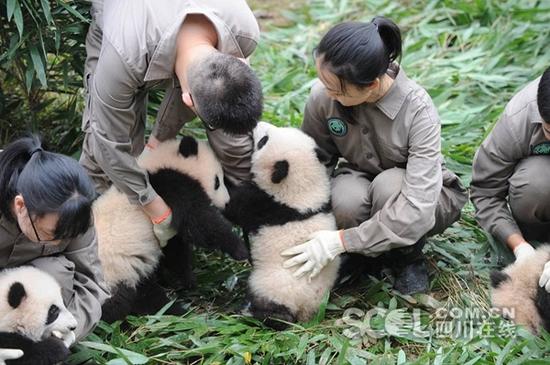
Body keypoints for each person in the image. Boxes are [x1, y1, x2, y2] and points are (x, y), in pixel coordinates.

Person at [280, 17, 468, 295]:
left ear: (369, 86)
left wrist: (341, 241)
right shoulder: (324, 96)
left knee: (389, 186)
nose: (325, 90)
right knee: (344, 199)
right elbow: (313, 162)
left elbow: (418, 207)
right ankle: (360, 259)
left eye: (335, 87)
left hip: (420, 194)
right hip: (359, 176)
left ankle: (407, 257)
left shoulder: (418, 111)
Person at [79, 0, 263, 247]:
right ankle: (86, 237)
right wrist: (155, 208)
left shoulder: (243, 29)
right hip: (125, 17)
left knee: (230, 133)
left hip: (162, 28)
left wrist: (158, 140)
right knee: (106, 151)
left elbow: (206, 88)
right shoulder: (124, 56)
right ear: (188, 99)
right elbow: (107, 140)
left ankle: (255, 211)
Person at [0, 135, 109, 358]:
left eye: (65, 236)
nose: (59, 243)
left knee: (56, 271)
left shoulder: (74, 210)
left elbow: (92, 285)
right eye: (51, 234)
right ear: (21, 205)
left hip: (27, 304)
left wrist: (71, 328)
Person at [470, 67, 550, 290]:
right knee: (534, 185)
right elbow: (485, 193)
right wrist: (520, 247)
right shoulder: (519, 118)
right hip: (541, 192)